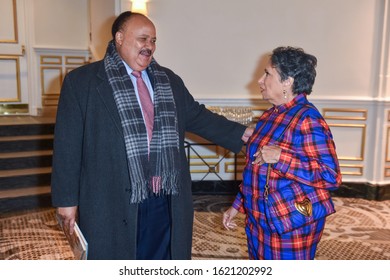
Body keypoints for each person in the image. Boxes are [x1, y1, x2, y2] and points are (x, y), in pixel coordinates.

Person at [51, 11, 253, 260]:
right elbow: (67, 146)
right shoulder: (82, 82)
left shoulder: (169, 80)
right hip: (109, 197)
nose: (149, 46)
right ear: (120, 37)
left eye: (153, 40)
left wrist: (244, 133)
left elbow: (198, 116)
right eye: (143, 39)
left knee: (162, 257)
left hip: (165, 196)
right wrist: (67, 201)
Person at [223, 46, 342, 260]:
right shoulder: (270, 115)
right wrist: (237, 205)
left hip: (290, 224)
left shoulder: (308, 119)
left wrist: (281, 157)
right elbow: (255, 167)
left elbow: (330, 176)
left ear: (288, 81)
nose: (260, 80)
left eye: (268, 73)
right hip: (259, 219)